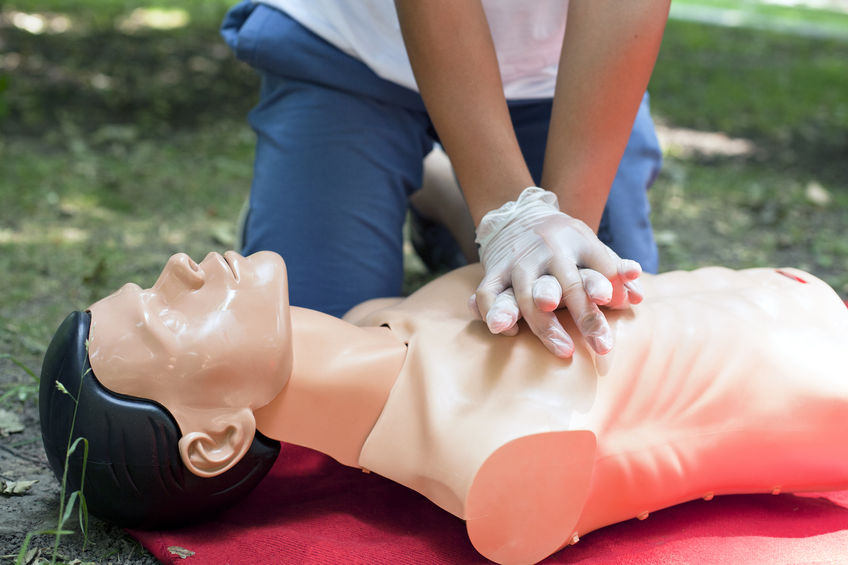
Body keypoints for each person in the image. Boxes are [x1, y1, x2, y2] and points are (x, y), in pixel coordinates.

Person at [40, 251, 848, 565]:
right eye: (159, 317)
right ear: (215, 439)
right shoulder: (499, 467)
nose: (177, 267)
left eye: (145, 285)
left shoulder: (380, 319)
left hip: (785, 289)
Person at [219, 1, 669, 358]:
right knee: (313, 347)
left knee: (603, 316)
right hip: (353, 47)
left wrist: (561, 253)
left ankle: (441, 190)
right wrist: (511, 217)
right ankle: (429, 181)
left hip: (561, 74)